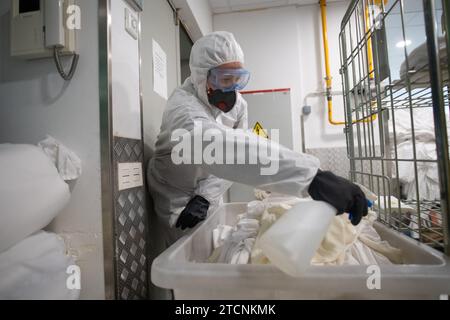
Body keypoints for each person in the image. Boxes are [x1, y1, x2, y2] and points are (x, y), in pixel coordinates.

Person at [147, 31, 368, 264]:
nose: (232, 87)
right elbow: (221, 148)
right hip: (176, 195)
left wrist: (205, 196)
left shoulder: (237, 105)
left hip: (210, 191)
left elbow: (237, 153)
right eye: (225, 79)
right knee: (189, 262)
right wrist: (312, 178)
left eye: (238, 78)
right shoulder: (183, 109)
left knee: (216, 255)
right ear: (203, 76)